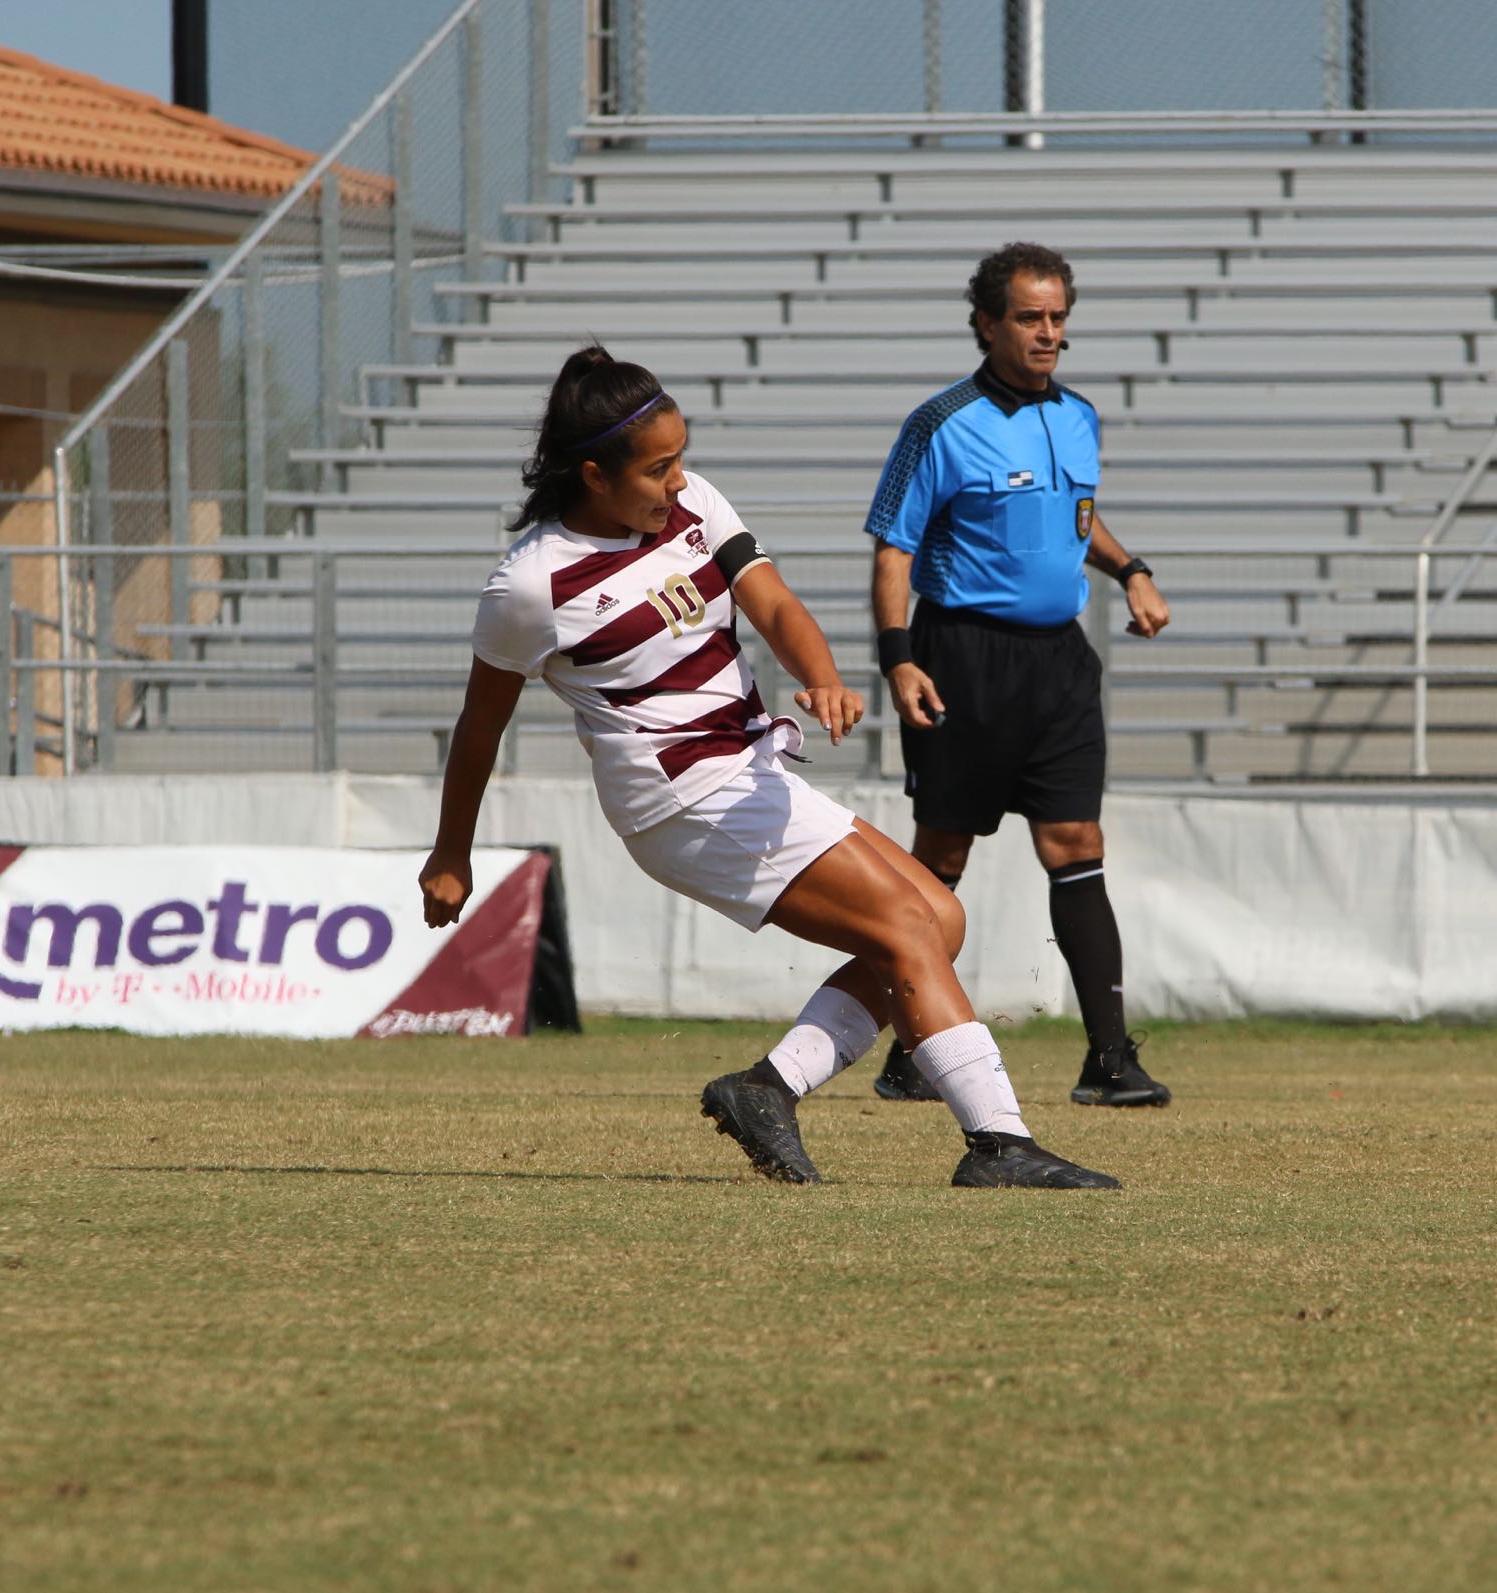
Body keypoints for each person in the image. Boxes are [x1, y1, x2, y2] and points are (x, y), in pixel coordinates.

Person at [418, 346, 1118, 1189]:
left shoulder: (692, 507)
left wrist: (820, 674)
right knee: (907, 927)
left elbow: (774, 600)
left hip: (747, 771)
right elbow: (478, 727)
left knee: (938, 918)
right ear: (595, 475)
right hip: (682, 799)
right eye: (659, 468)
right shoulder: (530, 587)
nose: (678, 483)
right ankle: (999, 1144)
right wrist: (451, 854)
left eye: (681, 460)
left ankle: (767, 1089)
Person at [863, 242, 1173, 1109]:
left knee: (1076, 845)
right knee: (942, 855)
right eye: (1030, 317)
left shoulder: (1077, 415)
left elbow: (1077, 516)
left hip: (1058, 663)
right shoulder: (941, 423)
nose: (1047, 333)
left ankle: (1108, 1062)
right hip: (962, 658)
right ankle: (909, 1049)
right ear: (987, 323)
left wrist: (1131, 569)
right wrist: (899, 659)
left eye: (1058, 317)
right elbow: (895, 546)